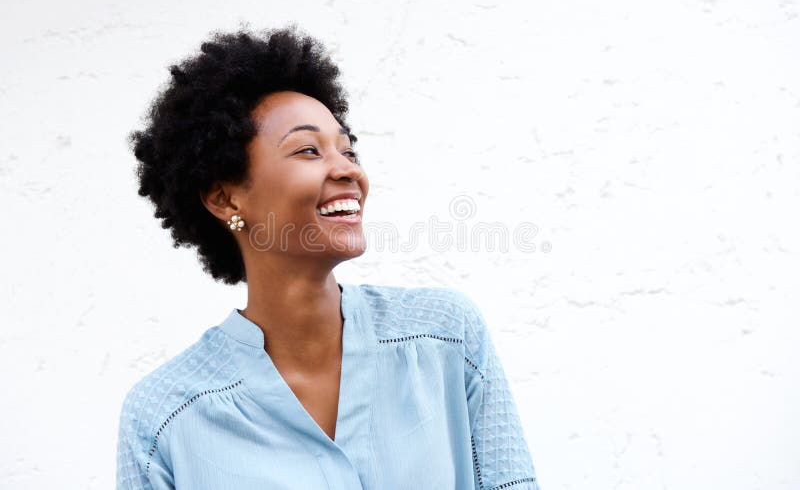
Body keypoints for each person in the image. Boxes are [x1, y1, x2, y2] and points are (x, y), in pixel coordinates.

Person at [117, 26, 541, 490]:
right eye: (308, 150)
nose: (347, 170)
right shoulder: (165, 417)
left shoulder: (446, 338)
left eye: (347, 149)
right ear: (225, 198)